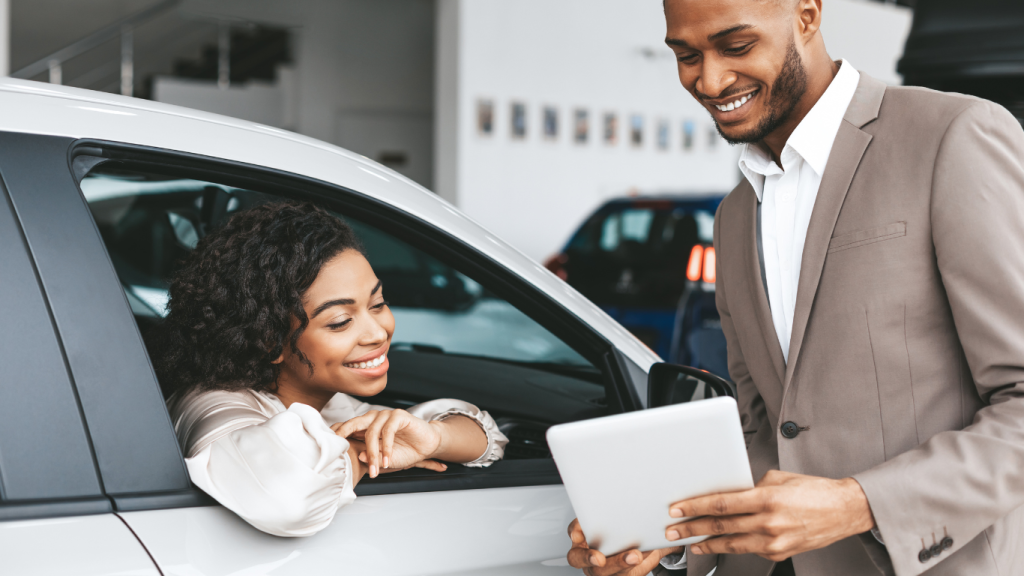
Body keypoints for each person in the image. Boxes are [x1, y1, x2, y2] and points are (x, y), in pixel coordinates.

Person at [568, 0, 1024, 575]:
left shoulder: (952, 136)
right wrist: (671, 539)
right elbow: (766, 430)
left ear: (807, 16)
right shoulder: (734, 217)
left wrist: (859, 503)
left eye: (736, 46)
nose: (708, 80)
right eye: (686, 55)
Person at [152, 201, 507, 537]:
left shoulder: (329, 402)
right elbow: (285, 497)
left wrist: (434, 439)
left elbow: (486, 435)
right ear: (268, 341)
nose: (377, 332)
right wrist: (367, 457)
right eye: (340, 321)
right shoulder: (214, 406)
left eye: (378, 303)